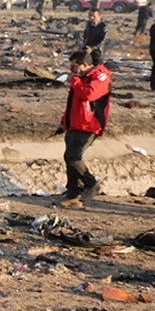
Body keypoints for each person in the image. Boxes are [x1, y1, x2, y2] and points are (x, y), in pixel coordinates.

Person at [53, 49, 111, 208]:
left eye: (74, 67)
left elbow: (89, 95)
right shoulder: (82, 78)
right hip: (75, 123)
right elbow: (74, 102)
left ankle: (90, 183)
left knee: (73, 156)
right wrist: (64, 121)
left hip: (89, 125)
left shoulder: (100, 77)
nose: (72, 71)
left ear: (84, 64)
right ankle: (73, 192)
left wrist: (76, 81)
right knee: (69, 158)